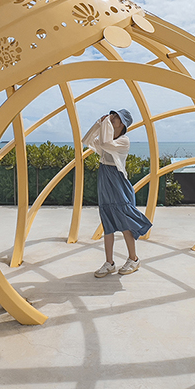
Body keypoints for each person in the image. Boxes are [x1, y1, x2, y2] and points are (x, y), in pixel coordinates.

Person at [81, 108, 152, 277]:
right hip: (104, 178)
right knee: (108, 222)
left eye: (116, 117)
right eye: (112, 116)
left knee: (125, 220)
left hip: (118, 181)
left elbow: (105, 144)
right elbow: (86, 140)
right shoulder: (107, 137)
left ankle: (133, 259)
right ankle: (109, 263)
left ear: (123, 124)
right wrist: (98, 123)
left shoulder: (123, 141)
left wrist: (105, 124)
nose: (112, 118)